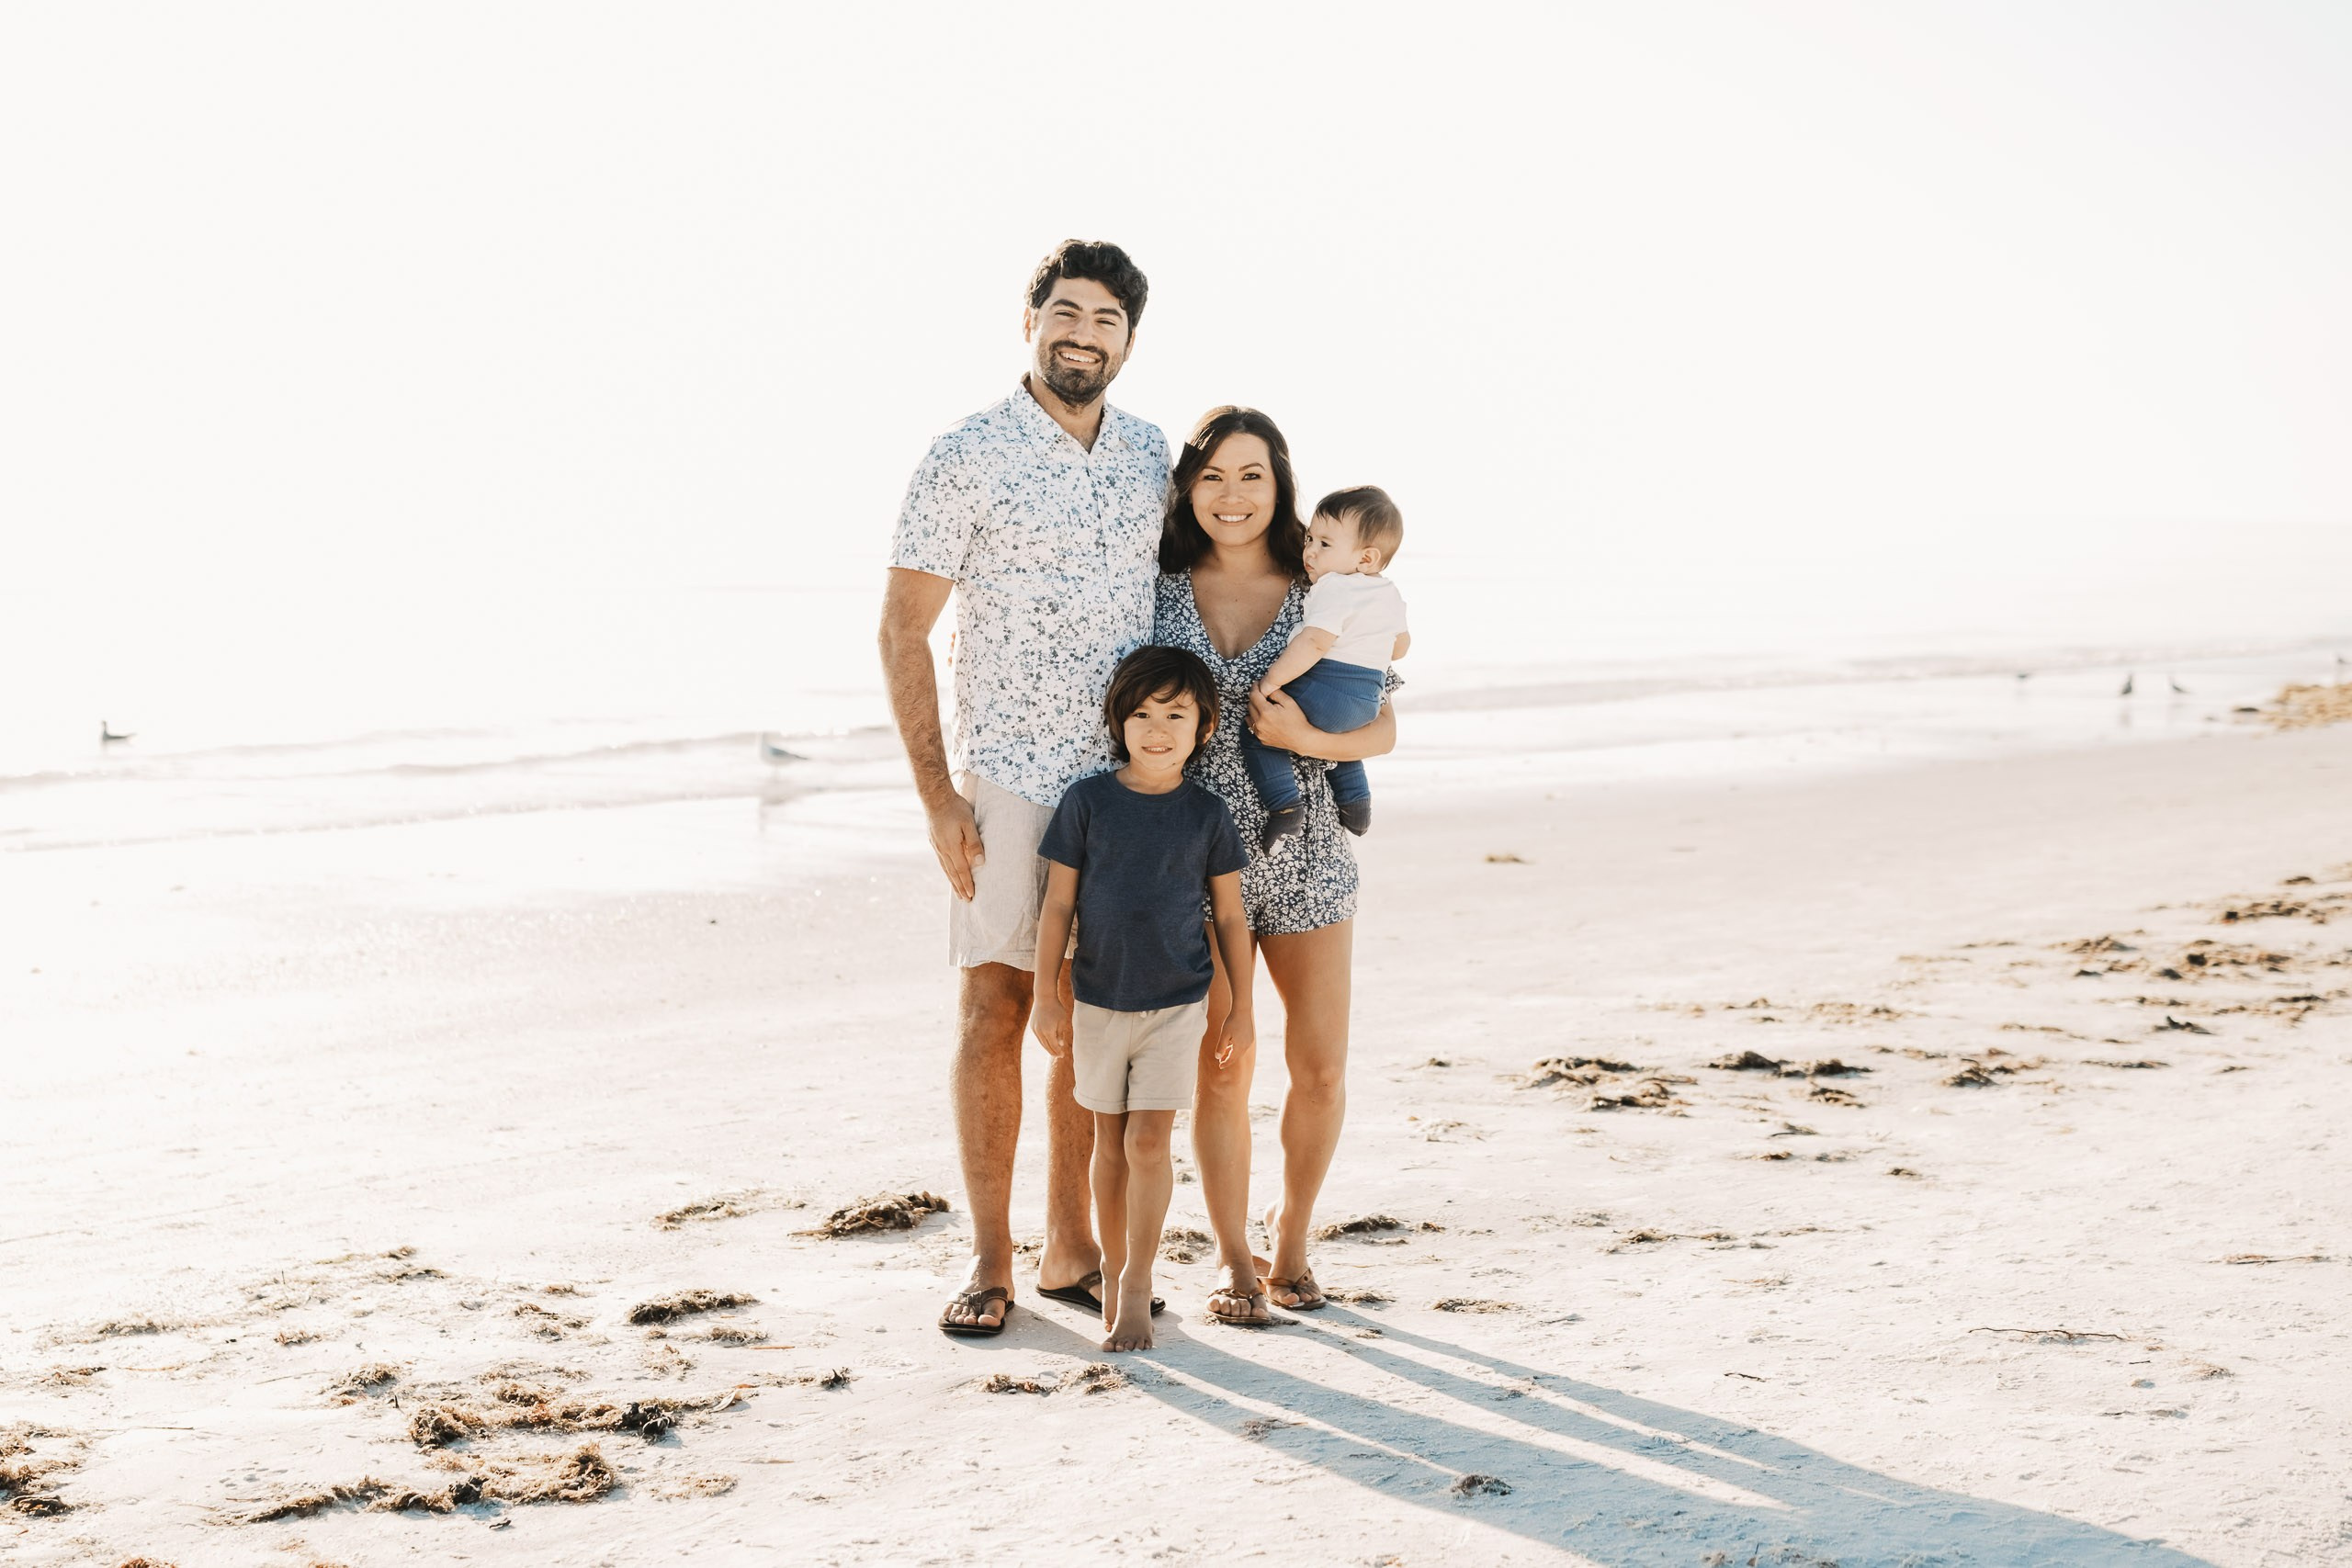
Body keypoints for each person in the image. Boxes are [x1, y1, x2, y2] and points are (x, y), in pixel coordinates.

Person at [877, 240, 1170, 1337]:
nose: (1081, 333)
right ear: (1030, 320)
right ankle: (990, 1261)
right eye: (1064, 311)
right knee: (996, 1007)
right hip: (1007, 783)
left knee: (1091, 1023)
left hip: (1127, 790)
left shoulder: (1152, 455)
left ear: (1129, 341)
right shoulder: (965, 456)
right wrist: (937, 797)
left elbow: (1230, 566)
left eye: (1104, 320)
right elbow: (903, 629)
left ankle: (1068, 1253)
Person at [1149, 407, 1400, 1325]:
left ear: (1280, 485)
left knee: (1321, 1067)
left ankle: (1292, 1243)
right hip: (1194, 866)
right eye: (1213, 475)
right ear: (1188, 486)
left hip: (1310, 857)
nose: (1231, 494)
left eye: (1251, 475)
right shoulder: (1157, 589)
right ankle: (1234, 1263)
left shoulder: (1327, 584)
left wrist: (1300, 738)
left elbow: (1382, 722)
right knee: (1222, 1067)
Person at [1029, 647, 1255, 1350]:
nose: (1157, 728)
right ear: (1119, 722)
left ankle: (1135, 1280)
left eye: (1175, 713)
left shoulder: (1207, 813)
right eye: (1142, 714)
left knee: (1149, 1139)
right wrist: (1045, 995)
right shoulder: (1088, 802)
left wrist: (1241, 1007)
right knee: (1107, 1143)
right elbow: (1056, 905)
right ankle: (1111, 1258)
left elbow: (1229, 917)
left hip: (1178, 1004)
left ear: (1204, 726)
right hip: (1097, 999)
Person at [1244, 485, 1409, 850]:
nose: (1310, 551)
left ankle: (1284, 807)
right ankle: (1355, 801)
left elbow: (1314, 643)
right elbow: (1400, 647)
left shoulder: (1333, 587)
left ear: (1365, 558)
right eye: (1310, 539)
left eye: (1325, 544)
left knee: (1260, 729)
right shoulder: (1389, 593)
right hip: (1367, 698)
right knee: (1339, 742)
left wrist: (1271, 683)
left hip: (1330, 687)